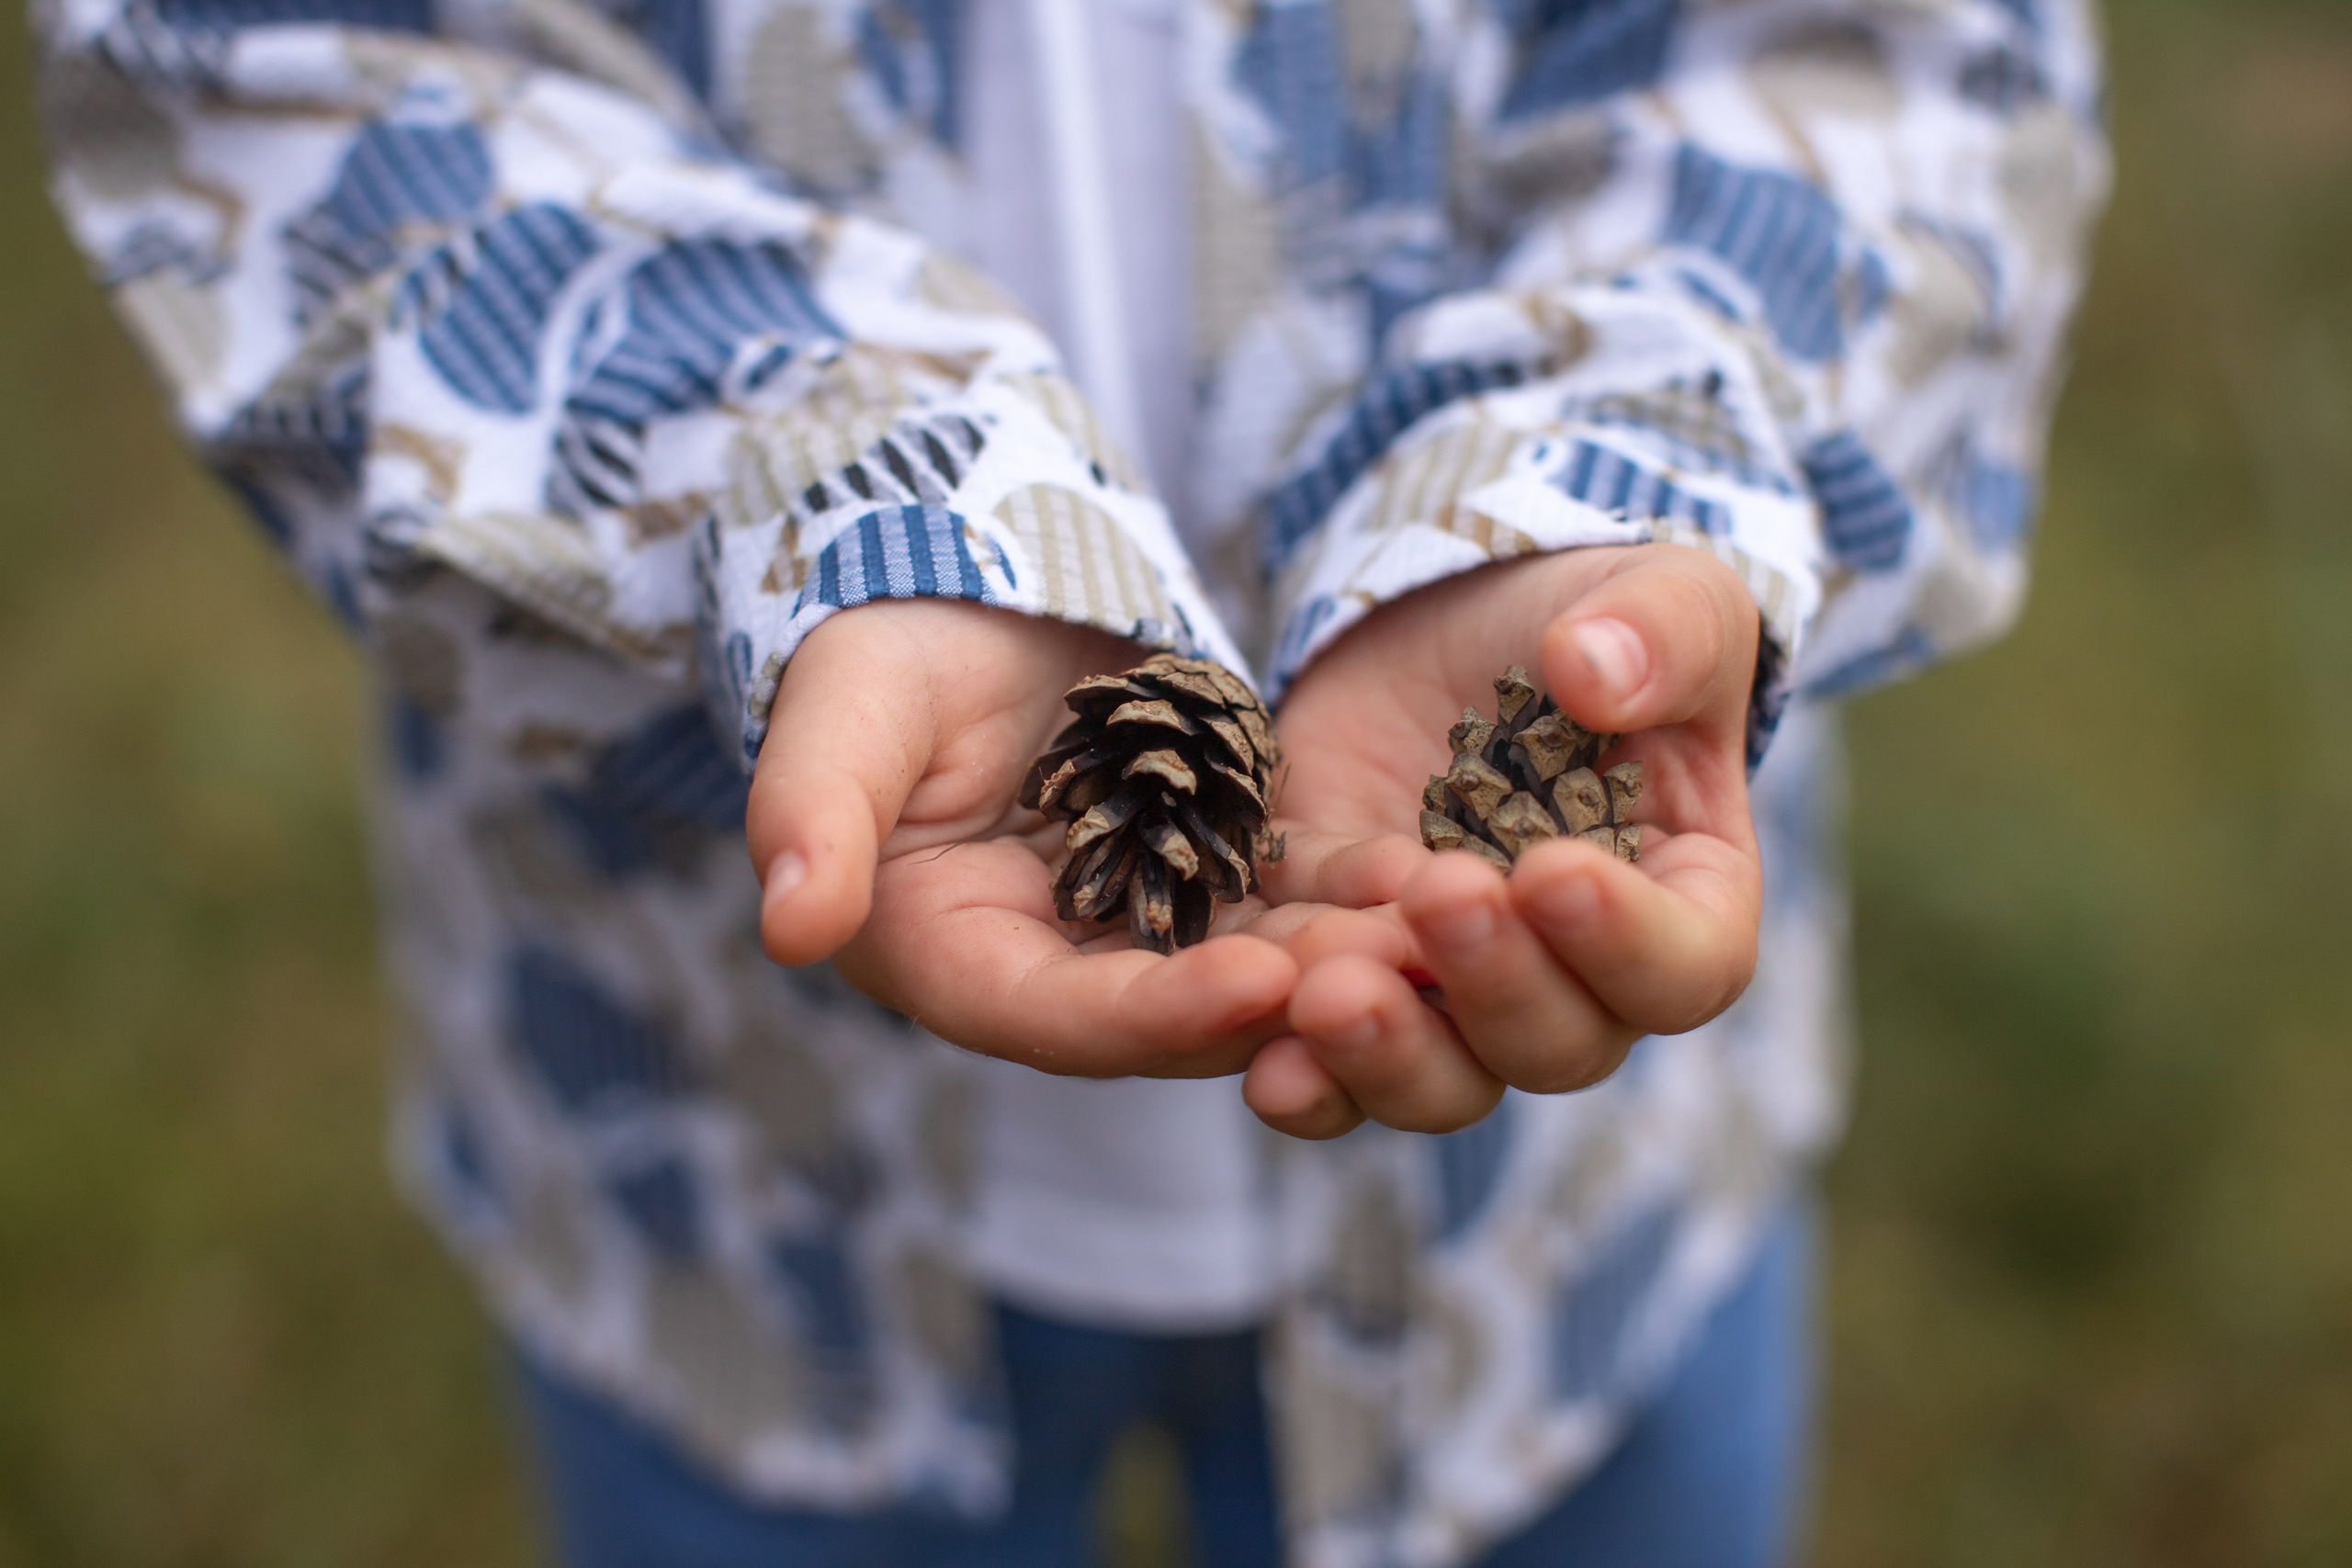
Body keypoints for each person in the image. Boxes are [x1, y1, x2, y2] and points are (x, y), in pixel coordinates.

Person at [31, 0, 2107, 1561]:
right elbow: (282, 68)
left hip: (1566, 1240)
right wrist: (838, 489)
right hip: (727, 1166)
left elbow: (1897, 64)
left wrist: (1585, 476)